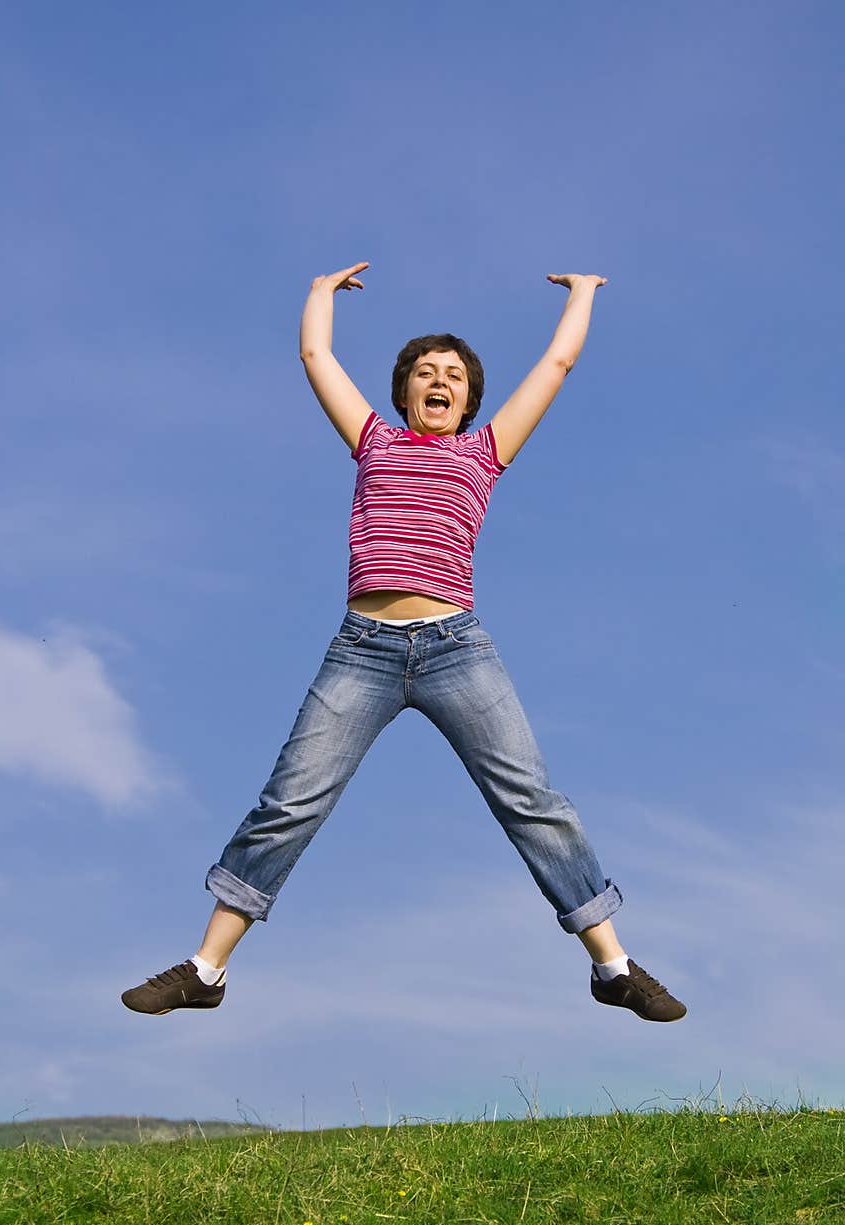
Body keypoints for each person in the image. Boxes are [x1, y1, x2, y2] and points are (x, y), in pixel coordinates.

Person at [122, 262, 686, 1024]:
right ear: (404, 393)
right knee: (289, 803)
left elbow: (556, 364)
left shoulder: (484, 454)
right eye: (425, 371)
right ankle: (205, 970)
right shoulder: (373, 442)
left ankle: (613, 967)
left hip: (458, 650)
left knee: (533, 801)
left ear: (469, 400)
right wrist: (319, 295)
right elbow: (318, 360)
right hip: (363, 650)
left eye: (453, 374)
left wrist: (583, 296)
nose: (439, 379)